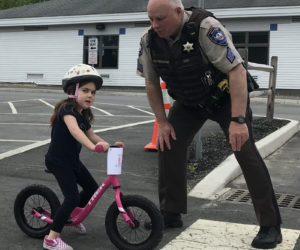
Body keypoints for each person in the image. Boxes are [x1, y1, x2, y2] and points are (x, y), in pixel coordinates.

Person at [137, 0, 282, 248]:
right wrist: (162, 122)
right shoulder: (149, 40)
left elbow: (237, 71)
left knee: (244, 151)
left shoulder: (205, 28)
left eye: (160, 19)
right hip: (189, 101)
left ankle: (270, 225)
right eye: (150, 19)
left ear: (178, 12)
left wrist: (238, 120)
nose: (155, 25)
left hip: (225, 99)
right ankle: (170, 212)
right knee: (168, 143)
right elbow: (151, 81)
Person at [43, 64, 124, 250]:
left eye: (93, 93)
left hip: (72, 161)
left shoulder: (82, 115)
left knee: (91, 188)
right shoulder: (66, 110)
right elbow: (75, 132)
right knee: (71, 197)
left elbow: (91, 135)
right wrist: (93, 147)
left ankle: (71, 215)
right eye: (86, 91)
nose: (90, 96)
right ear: (73, 91)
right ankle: (51, 239)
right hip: (58, 161)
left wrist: (110, 145)